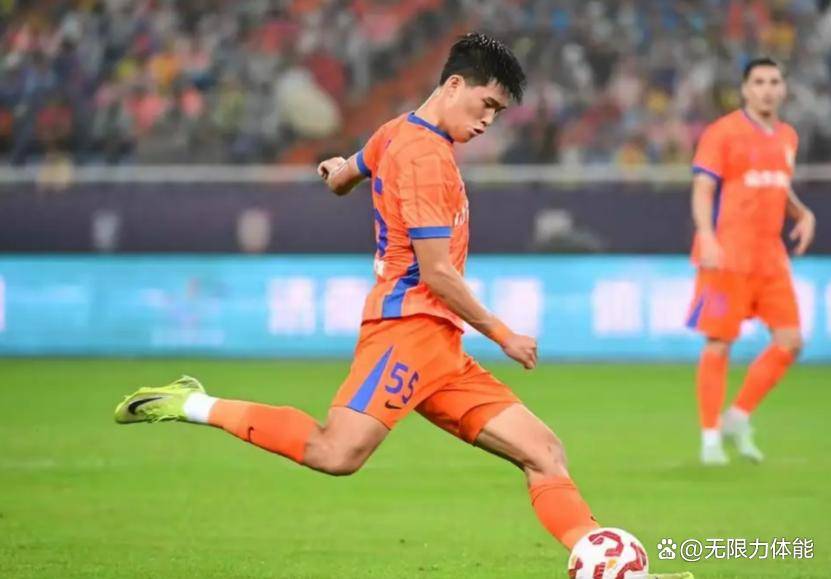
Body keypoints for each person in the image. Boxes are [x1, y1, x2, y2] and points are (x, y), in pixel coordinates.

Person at [115, 35, 690, 577]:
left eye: (498, 113)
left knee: (543, 452)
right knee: (335, 452)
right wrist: (503, 333)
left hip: (441, 346)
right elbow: (436, 272)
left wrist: (336, 169)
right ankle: (192, 402)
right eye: (487, 105)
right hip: (406, 330)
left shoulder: (395, 132)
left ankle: (612, 567)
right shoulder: (424, 157)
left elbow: (344, 177)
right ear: (455, 85)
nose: (488, 122)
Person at [686, 57, 816, 466]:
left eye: (774, 82)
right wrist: (707, 235)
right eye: (758, 82)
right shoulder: (722, 133)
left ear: (783, 89)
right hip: (727, 255)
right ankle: (710, 438)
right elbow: (704, 188)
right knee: (718, 343)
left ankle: (738, 416)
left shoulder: (787, 137)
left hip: (770, 258)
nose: (767, 89)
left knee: (790, 341)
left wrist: (801, 212)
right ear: (745, 89)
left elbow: (776, 183)